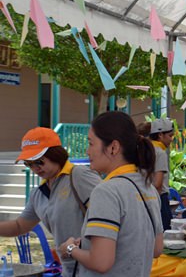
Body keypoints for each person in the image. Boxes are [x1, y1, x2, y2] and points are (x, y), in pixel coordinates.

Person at [59, 111, 163, 276]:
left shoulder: (107, 191)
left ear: (113, 147)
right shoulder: (148, 188)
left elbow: (101, 262)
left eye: (91, 143)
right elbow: (156, 249)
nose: (87, 151)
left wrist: (70, 248)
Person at [0, 127, 101, 276]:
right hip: (69, 270)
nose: (35, 168)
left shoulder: (79, 176)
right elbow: (19, 226)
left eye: (39, 162)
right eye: (29, 164)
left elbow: (109, 213)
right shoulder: (38, 194)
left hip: (95, 268)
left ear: (55, 155)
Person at [149, 118, 174, 230]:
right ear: (160, 135)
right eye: (170, 135)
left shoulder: (146, 149)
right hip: (159, 198)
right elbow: (158, 183)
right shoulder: (160, 152)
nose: (171, 139)